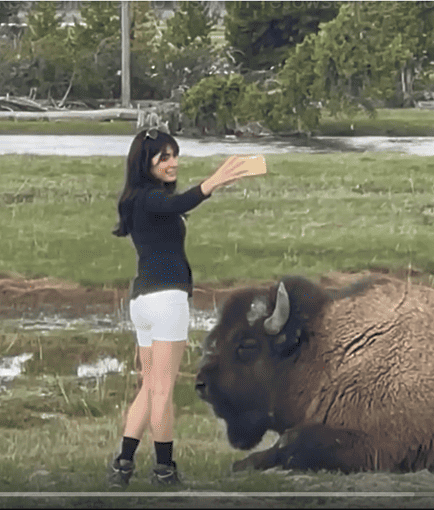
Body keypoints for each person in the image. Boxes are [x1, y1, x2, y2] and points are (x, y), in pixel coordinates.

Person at [109, 128, 248, 487]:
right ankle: (164, 469)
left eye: (174, 155)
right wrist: (213, 182)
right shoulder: (149, 199)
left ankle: (123, 464)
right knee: (163, 390)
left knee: (149, 386)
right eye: (164, 157)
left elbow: (172, 207)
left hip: (142, 302)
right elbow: (176, 204)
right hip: (166, 300)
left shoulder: (136, 199)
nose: (173, 163)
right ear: (147, 163)